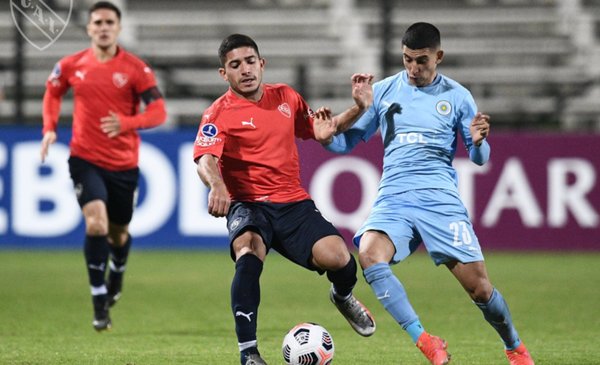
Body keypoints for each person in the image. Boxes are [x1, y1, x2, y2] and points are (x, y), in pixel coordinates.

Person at [324, 23, 534, 365]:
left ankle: (515, 347)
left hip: (440, 199)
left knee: (480, 288)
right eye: (407, 60)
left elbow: (480, 158)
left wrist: (479, 142)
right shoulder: (384, 91)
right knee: (369, 254)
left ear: (439, 56)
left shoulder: (458, 96)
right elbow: (342, 143)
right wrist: (334, 128)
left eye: (421, 61)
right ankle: (425, 341)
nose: (413, 68)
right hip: (394, 197)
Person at [193, 33, 376, 365]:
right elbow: (205, 158)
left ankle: (343, 295)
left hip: (292, 204)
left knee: (340, 259)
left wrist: (358, 109)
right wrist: (217, 185)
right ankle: (248, 352)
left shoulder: (286, 97)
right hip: (247, 204)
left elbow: (323, 128)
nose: (245, 70)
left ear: (261, 64)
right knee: (248, 250)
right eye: (235, 65)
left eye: (250, 62)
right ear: (224, 74)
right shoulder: (218, 113)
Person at [40, 1, 167, 332]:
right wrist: (50, 128)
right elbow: (52, 92)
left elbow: (159, 112)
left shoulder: (136, 69)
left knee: (118, 232)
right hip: (84, 158)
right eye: (97, 22)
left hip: (124, 164)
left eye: (110, 21)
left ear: (118, 28)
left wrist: (127, 122)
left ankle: (118, 271)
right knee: (95, 223)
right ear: (89, 28)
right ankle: (99, 302)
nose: (103, 27)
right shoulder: (71, 64)